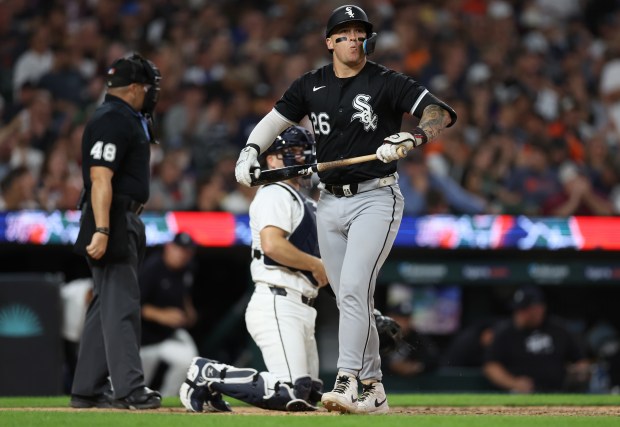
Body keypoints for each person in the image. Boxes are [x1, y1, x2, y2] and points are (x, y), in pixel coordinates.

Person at [233, 4, 456, 414]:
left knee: (352, 289)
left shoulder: (386, 81)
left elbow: (440, 112)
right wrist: (250, 149)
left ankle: (349, 378)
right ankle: (374, 388)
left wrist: (413, 138)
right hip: (330, 200)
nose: (354, 39)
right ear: (330, 41)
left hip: (376, 195)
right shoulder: (311, 84)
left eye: (360, 33)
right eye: (346, 33)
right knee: (347, 297)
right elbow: (275, 120)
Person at [180, 125, 329, 412]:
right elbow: (273, 245)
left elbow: (320, 268)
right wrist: (315, 264)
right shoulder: (275, 192)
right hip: (277, 299)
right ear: (271, 159)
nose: (302, 157)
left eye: (303, 151)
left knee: (309, 395)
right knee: (289, 392)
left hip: (302, 305)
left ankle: (212, 377)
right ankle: (207, 373)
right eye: (292, 152)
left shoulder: (307, 202)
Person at [70, 53, 163, 410]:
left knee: (105, 306)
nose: (153, 94)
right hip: (111, 217)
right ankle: (130, 390)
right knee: (122, 305)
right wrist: (104, 228)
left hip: (120, 216)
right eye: (149, 87)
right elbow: (99, 177)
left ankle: (87, 389)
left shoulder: (125, 116)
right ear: (136, 88)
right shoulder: (112, 118)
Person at [483, 286, 590, 393]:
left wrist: (580, 371)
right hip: (519, 394)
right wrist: (513, 383)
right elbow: (491, 366)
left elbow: (581, 360)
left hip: (558, 392)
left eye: (525, 309)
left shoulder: (559, 329)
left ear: (540, 308)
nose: (519, 314)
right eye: (518, 310)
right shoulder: (505, 332)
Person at [139, 232, 199, 397]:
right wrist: (161, 315)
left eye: (187, 251)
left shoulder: (187, 269)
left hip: (168, 337)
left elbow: (185, 294)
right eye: (179, 249)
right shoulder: (151, 268)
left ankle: (167, 399)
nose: (182, 254)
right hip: (143, 339)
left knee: (188, 361)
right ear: (169, 247)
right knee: (136, 385)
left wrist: (188, 312)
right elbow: (133, 306)